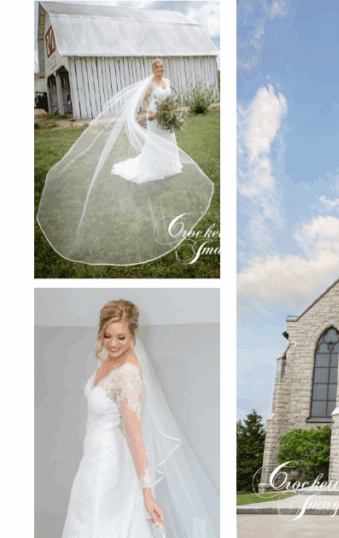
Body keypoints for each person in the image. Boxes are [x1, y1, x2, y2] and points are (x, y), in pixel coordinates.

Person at [62, 300, 218, 537]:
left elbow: (135, 433)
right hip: (92, 458)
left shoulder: (128, 372)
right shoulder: (107, 360)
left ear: (133, 334)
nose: (113, 344)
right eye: (107, 335)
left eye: (121, 338)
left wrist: (147, 492)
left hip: (109, 464)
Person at [37, 58, 214, 265]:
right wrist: (152, 112)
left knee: (169, 141)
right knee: (154, 144)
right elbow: (144, 102)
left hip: (166, 118)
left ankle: (170, 165)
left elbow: (169, 99)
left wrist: (169, 111)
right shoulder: (150, 84)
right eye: (157, 67)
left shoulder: (167, 80)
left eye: (162, 67)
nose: (160, 69)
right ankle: (154, 166)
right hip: (154, 119)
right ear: (153, 69)